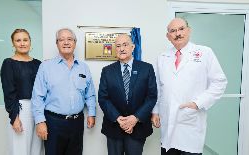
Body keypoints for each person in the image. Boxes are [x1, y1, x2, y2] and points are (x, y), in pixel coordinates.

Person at [151, 18, 228, 155]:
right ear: (168, 36)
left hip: (191, 122)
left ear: (189, 30)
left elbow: (219, 82)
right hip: (168, 121)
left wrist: (197, 103)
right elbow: (157, 87)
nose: (177, 33)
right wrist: (155, 111)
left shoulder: (205, 53)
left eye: (181, 29)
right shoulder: (162, 57)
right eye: (173, 31)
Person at [31, 28, 96, 155]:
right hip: (53, 123)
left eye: (69, 39)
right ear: (57, 44)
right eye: (61, 40)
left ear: (75, 43)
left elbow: (90, 94)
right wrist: (40, 121)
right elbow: (37, 96)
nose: (66, 42)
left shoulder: (83, 67)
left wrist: (92, 114)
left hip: (77, 123)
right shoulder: (46, 67)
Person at [98, 34, 158, 155]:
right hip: (114, 127)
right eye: (118, 46)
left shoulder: (147, 68)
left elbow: (151, 96)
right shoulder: (107, 71)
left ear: (133, 47)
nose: (121, 49)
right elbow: (103, 98)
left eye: (125, 45)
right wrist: (117, 118)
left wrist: (135, 118)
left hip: (138, 127)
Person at [0, 28, 44, 155]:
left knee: (37, 149)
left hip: (38, 109)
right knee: (20, 149)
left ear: (30, 42)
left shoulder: (38, 64)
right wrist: (14, 117)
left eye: (25, 40)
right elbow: (8, 92)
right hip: (21, 109)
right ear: (13, 44)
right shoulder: (9, 63)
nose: (22, 43)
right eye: (18, 40)